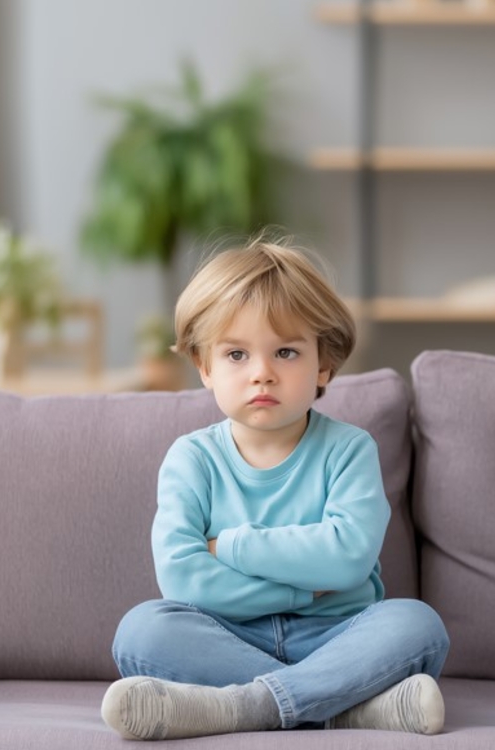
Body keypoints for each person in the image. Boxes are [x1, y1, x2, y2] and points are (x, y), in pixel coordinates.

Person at [102, 238, 449, 740]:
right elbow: (183, 579)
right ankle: (343, 708)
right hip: (226, 635)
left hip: (337, 637)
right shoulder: (191, 458)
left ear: (323, 365)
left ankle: (243, 706)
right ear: (205, 367)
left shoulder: (350, 449)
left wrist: (233, 546)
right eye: (236, 354)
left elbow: (348, 558)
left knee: (418, 625)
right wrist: (304, 585)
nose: (262, 372)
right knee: (142, 631)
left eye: (286, 351)